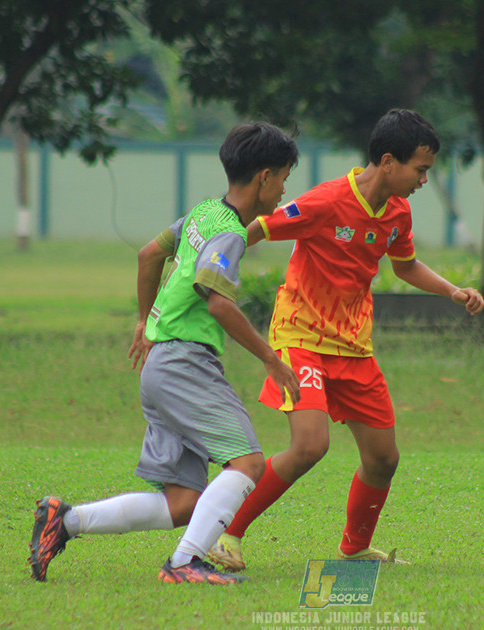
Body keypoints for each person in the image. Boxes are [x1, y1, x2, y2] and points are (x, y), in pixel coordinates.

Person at [206, 109, 484, 572]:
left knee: (383, 459)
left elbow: (405, 265)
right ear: (389, 161)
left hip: (354, 346)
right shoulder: (326, 201)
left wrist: (451, 291)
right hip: (301, 336)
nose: (422, 180)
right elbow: (253, 231)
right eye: (420, 170)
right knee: (310, 446)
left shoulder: (398, 210)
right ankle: (227, 534)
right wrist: (208, 269)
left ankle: (354, 548)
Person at [27, 122, 302, 585]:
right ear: (264, 178)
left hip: (160, 365)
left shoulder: (203, 214)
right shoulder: (231, 233)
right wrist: (271, 359)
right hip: (184, 365)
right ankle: (183, 564)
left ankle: (64, 520)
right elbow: (218, 301)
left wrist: (143, 319)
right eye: (283, 180)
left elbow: (148, 255)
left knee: (184, 503)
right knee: (249, 463)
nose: (282, 191)